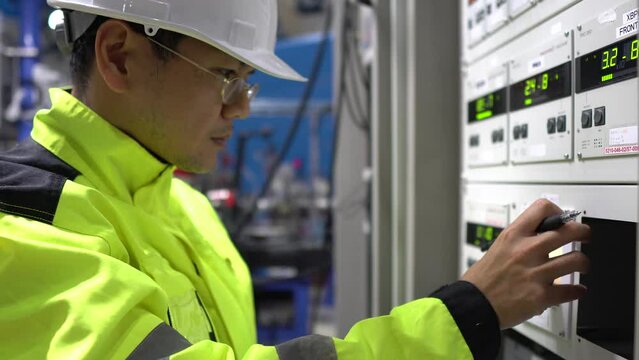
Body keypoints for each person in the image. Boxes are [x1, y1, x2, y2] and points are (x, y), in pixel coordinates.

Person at [0, 0, 590, 359]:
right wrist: (467, 314)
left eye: (245, 83)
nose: (240, 108)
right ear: (120, 56)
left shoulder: (187, 209)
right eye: (226, 76)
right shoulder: (23, 235)